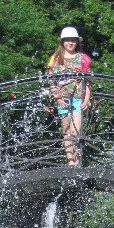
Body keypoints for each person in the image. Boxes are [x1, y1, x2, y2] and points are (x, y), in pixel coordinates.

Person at [47, 26, 92, 166]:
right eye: (67, 40)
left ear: (77, 42)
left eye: (73, 40)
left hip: (78, 98)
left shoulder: (83, 59)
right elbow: (51, 82)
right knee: (66, 130)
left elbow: (88, 82)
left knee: (76, 131)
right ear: (62, 42)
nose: (70, 43)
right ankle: (70, 161)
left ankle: (78, 160)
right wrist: (58, 98)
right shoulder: (55, 59)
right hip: (63, 99)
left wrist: (87, 99)